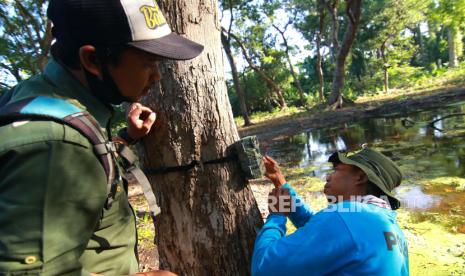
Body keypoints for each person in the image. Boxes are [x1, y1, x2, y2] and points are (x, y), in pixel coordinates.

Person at [0, 0, 203, 275]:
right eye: (148, 65)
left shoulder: (42, 100)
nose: (156, 77)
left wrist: (125, 139)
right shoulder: (54, 145)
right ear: (92, 60)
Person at [252, 149, 409, 275]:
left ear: (360, 177)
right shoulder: (389, 227)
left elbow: (264, 267)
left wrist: (277, 216)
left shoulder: (345, 217)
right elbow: (321, 230)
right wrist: (281, 183)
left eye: (336, 169)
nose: (328, 176)